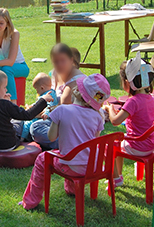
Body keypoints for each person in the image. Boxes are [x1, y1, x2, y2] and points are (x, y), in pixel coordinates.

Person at [21, 74, 111, 210]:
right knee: (73, 152)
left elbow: (51, 138)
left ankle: (30, 202)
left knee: (42, 159)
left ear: (77, 91)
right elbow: (94, 139)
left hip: (71, 166)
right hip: (93, 167)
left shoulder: (62, 110)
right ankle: (72, 189)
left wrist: (57, 122)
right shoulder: (99, 115)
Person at [105, 52, 154, 188]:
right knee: (119, 143)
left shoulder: (133, 102)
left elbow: (115, 121)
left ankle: (116, 178)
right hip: (150, 145)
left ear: (127, 82)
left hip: (138, 146)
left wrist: (110, 109)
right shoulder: (151, 99)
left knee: (110, 146)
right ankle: (119, 175)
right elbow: (140, 117)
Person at [0, 69, 53, 155]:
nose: (6, 90)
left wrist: (1, 101)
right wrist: (43, 100)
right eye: (4, 87)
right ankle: (24, 138)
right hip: (8, 145)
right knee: (18, 122)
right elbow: (27, 115)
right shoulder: (5, 105)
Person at [30, 44, 86, 149]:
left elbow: (62, 111)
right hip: (61, 119)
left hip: (68, 123)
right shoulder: (63, 77)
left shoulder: (73, 84)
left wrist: (37, 113)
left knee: (36, 127)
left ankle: (67, 143)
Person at [13, 73, 59, 142]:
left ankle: (21, 138)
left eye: (36, 89)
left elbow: (50, 105)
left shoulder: (49, 94)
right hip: (41, 116)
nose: (36, 92)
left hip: (46, 118)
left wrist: (46, 113)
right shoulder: (48, 93)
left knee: (28, 123)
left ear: (42, 87)